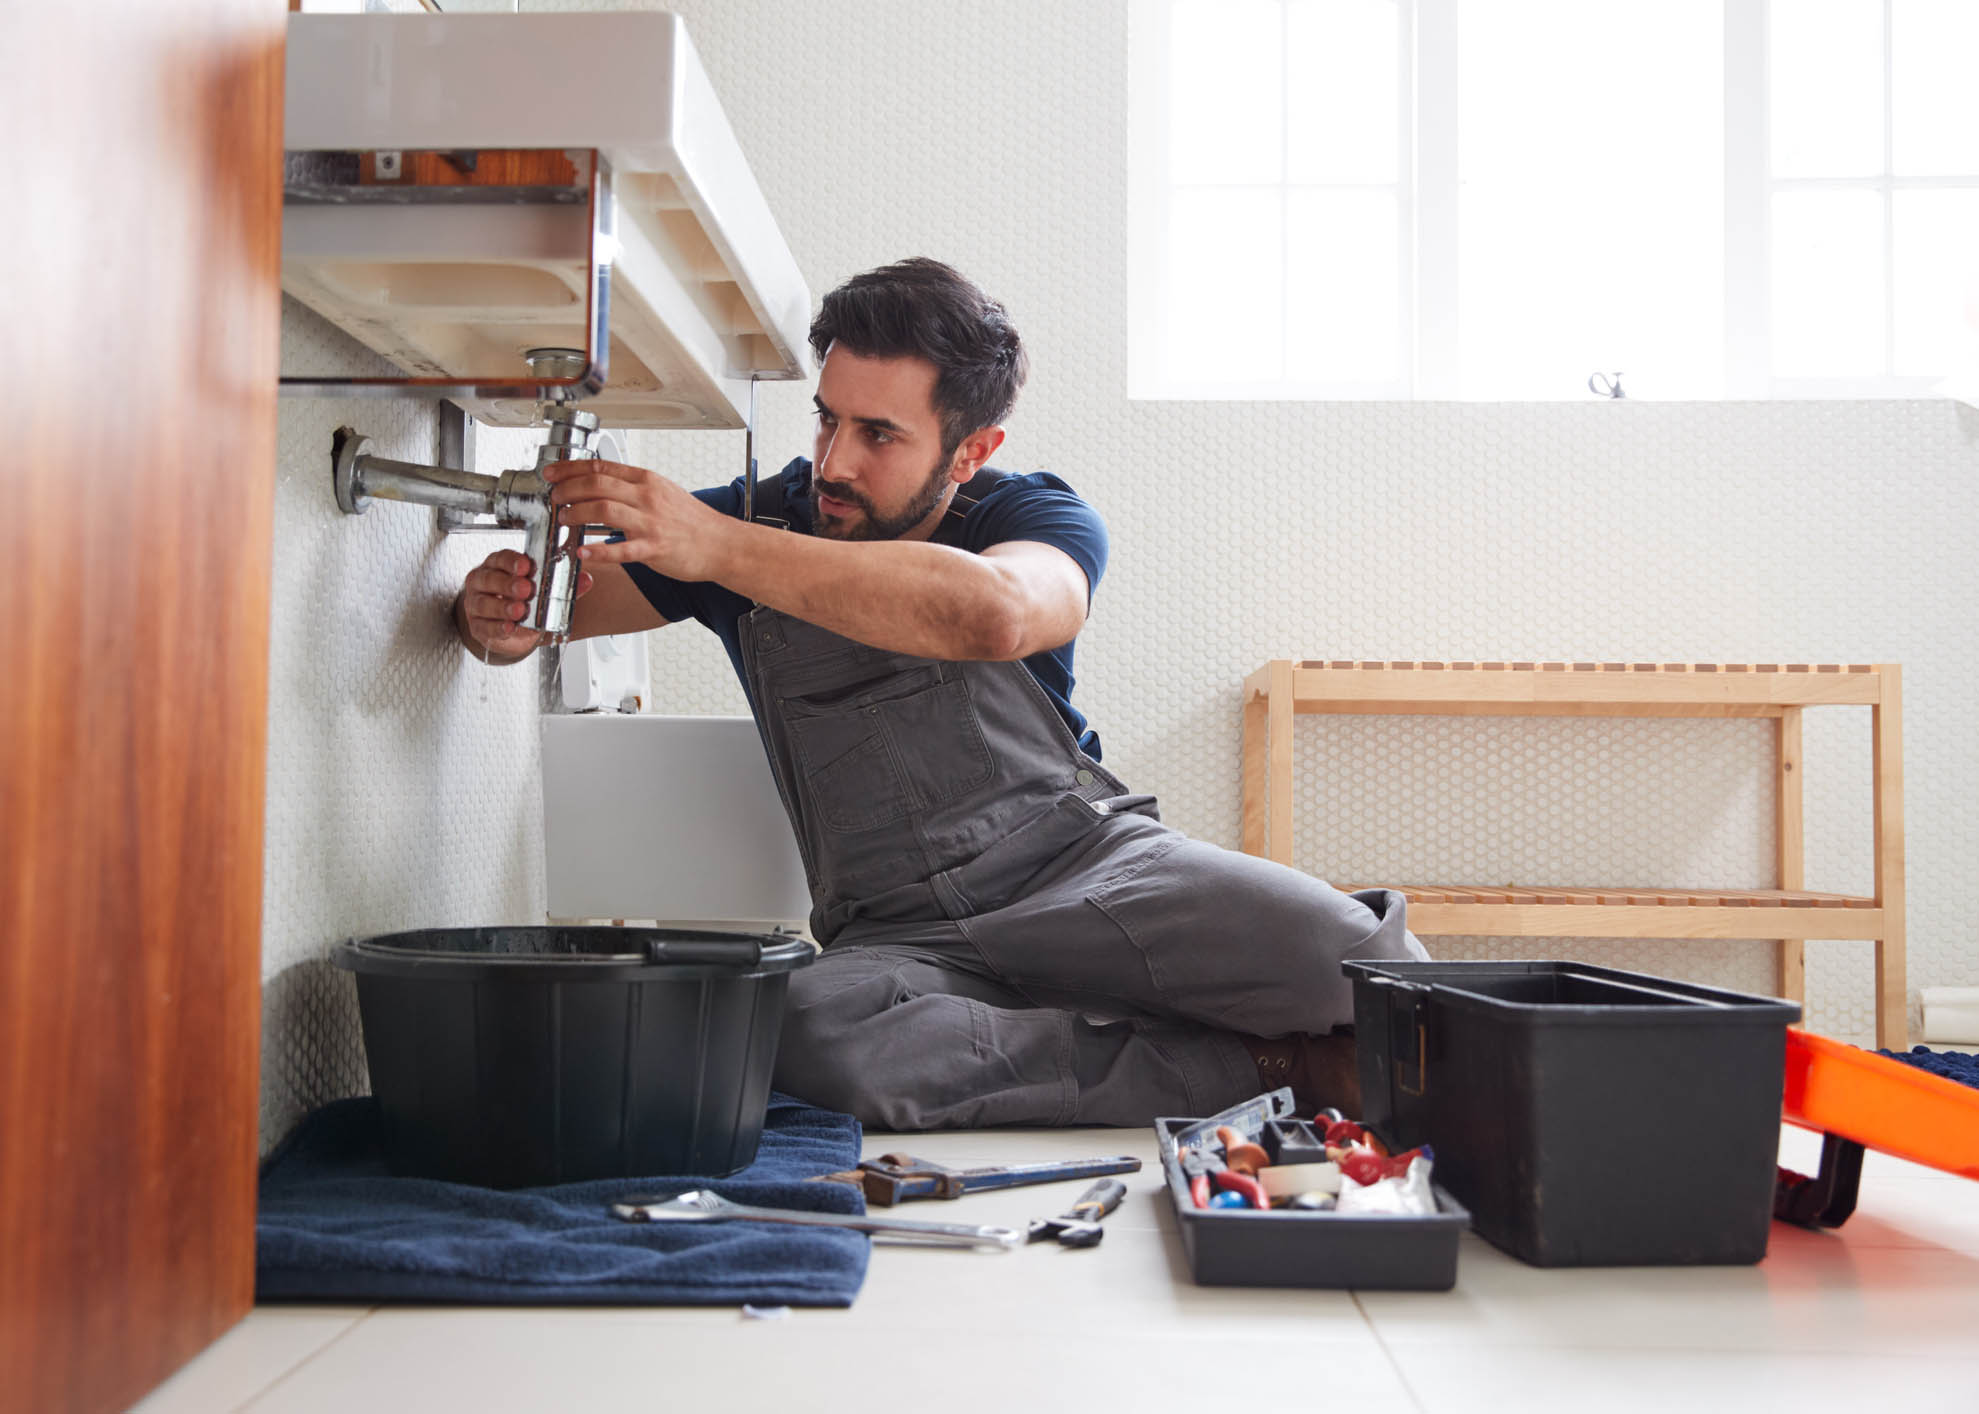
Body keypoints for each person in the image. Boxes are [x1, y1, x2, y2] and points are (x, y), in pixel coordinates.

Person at [452, 257, 1428, 1129]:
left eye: (878, 434)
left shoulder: (1031, 514)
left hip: (1085, 870)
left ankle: (1083, 1024)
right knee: (805, 1029)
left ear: (970, 451)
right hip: (896, 931)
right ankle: (1266, 1067)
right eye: (827, 418)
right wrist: (494, 615)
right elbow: (549, 612)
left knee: (1371, 970)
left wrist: (720, 547)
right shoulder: (761, 520)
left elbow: (1000, 612)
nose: (832, 464)